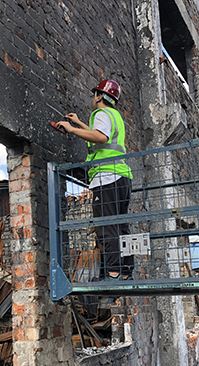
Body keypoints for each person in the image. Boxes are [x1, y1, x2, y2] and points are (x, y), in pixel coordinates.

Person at [56, 80, 134, 281]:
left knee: (106, 226)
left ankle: (112, 273)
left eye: (94, 95)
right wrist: (79, 123)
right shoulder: (114, 115)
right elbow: (99, 134)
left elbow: (100, 137)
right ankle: (125, 272)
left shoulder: (100, 114)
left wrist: (71, 129)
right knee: (121, 226)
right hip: (122, 177)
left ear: (99, 96)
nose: (93, 99)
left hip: (106, 177)